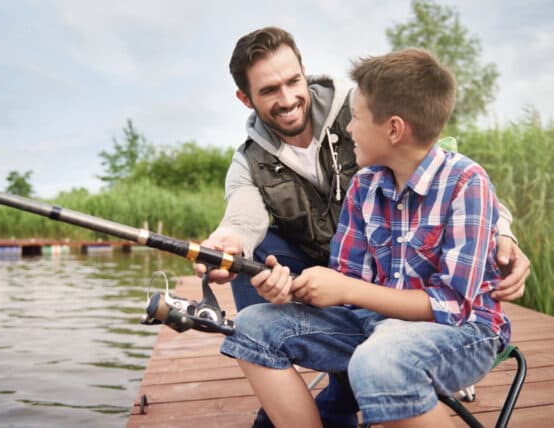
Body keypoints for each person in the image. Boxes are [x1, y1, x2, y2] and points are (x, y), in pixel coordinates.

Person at [195, 27, 530, 426]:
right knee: (250, 324)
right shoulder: (358, 184)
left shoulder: (382, 115)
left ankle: (342, 402)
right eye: (269, 90)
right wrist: (285, 286)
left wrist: (503, 231)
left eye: (292, 81)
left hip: (458, 328)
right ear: (246, 98)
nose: (349, 129)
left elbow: (451, 299)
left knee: (379, 360)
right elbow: (248, 222)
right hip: (368, 312)